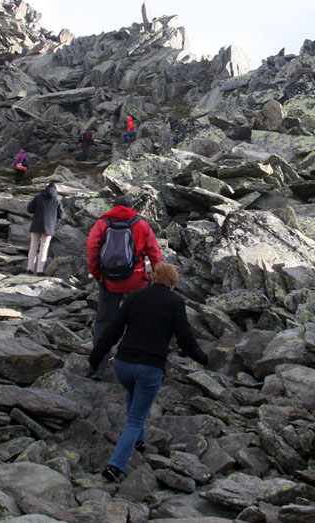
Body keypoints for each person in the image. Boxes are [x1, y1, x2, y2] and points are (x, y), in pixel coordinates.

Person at [89, 263, 208, 483]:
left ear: (154, 277)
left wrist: (96, 356)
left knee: (132, 397)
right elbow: (185, 338)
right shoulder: (175, 302)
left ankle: (139, 442)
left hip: (123, 364)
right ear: (174, 282)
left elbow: (113, 329)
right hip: (150, 368)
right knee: (135, 419)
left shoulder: (135, 297)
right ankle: (115, 466)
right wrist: (202, 358)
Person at [86, 196, 162, 380]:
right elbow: (154, 252)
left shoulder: (103, 223)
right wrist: (158, 280)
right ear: (132, 207)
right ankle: (135, 365)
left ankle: (97, 368)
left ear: (114, 207)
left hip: (109, 282)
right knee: (138, 323)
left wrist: (99, 275)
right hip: (137, 282)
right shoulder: (141, 224)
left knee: (104, 322)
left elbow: (92, 249)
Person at [26, 182, 64, 275]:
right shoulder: (57, 201)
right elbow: (61, 215)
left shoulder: (38, 197)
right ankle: (40, 270)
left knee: (33, 247)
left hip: (36, 225)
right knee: (44, 248)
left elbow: (29, 209)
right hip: (48, 227)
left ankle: (30, 269)